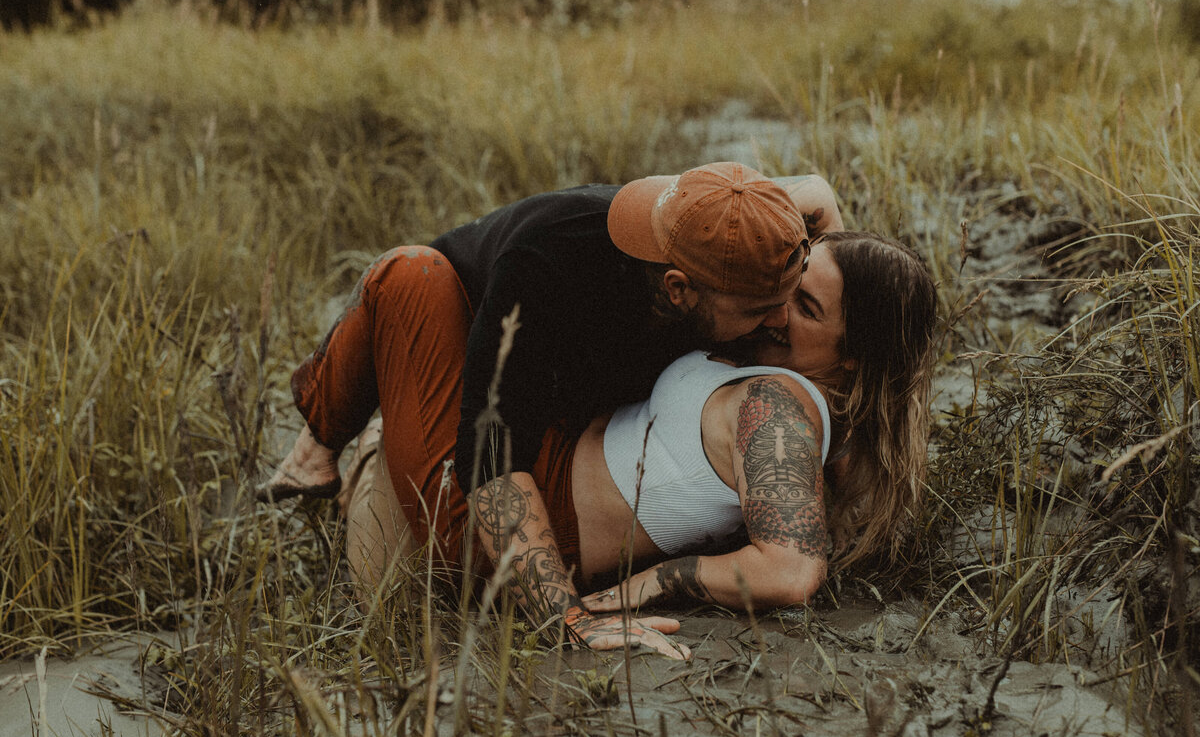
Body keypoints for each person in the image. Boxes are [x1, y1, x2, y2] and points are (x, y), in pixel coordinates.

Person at [269, 193, 936, 656]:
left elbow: (790, 569)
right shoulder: (791, 384)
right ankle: (332, 443)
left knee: (410, 275)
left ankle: (317, 444)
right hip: (540, 468)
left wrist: (633, 591)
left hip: (478, 522)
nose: (777, 310)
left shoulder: (778, 405)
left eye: (807, 308)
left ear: (851, 360)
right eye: (785, 287)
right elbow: (814, 200)